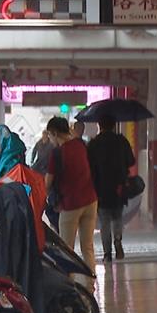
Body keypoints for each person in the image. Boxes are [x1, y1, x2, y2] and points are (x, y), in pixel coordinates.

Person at [45, 117, 98, 282]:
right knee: (87, 246)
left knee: (66, 249)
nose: (50, 140)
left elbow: (47, 182)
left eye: (50, 136)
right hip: (90, 201)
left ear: (54, 133)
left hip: (71, 205)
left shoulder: (58, 153)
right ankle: (90, 285)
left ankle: (69, 285)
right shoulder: (80, 145)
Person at [87, 114, 135, 262]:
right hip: (119, 187)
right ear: (114, 125)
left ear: (99, 126)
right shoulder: (121, 141)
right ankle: (118, 241)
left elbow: (88, 167)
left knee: (105, 221)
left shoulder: (94, 144)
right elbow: (131, 161)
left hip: (100, 189)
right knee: (118, 217)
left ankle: (107, 253)